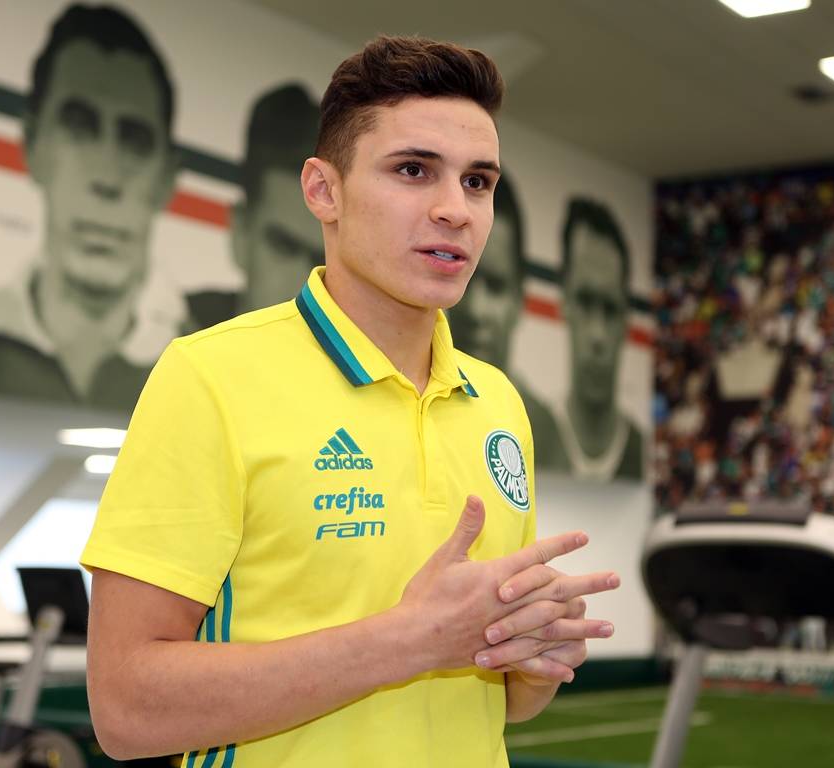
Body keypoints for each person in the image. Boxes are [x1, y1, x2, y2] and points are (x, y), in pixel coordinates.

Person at [81, 36, 620, 767]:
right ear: (322, 191)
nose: (455, 210)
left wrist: (533, 654)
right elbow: (125, 709)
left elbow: (508, 702)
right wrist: (409, 639)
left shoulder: (497, 401)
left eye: (477, 182)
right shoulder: (209, 376)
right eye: (413, 170)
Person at [0, 4, 179, 410]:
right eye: (78, 127)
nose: (106, 179)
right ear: (32, 145)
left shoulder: (207, 365)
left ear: (167, 176)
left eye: (135, 139)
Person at [447, 173, 569, 471]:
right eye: (465, 279)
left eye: (495, 286)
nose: (475, 310)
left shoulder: (541, 427)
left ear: (519, 297)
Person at [185, 83, 325, 330]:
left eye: (323, 260)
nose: (304, 284)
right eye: (283, 246)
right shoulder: (171, 338)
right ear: (241, 231)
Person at [555, 197, 645, 481]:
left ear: (627, 317)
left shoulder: (642, 452)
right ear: (564, 301)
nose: (597, 334)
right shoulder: (530, 432)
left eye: (610, 308)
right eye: (585, 301)